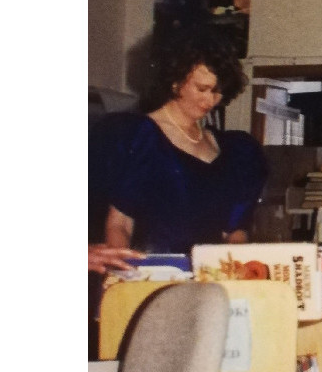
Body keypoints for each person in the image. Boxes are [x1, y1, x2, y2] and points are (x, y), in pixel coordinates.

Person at [93, 26, 267, 256]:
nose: (211, 100)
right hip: (150, 277)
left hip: (208, 281)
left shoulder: (237, 151)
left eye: (217, 91)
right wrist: (122, 275)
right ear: (174, 81)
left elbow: (235, 233)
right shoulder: (136, 137)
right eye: (202, 88)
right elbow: (118, 225)